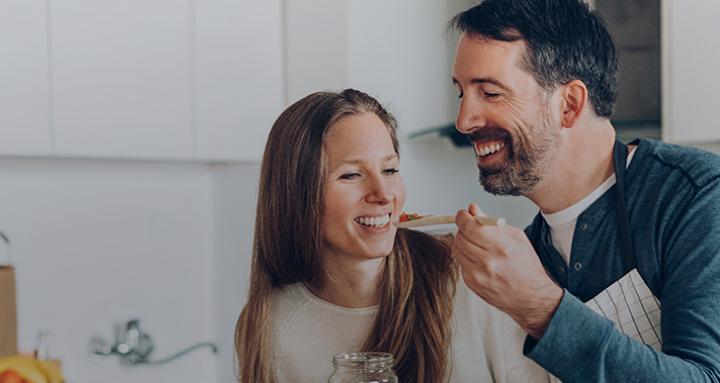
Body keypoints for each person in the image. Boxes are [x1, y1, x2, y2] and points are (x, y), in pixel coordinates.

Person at [448, 0, 720, 381]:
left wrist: (540, 305)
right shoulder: (532, 250)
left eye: (490, 93)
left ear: (570, 104)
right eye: (462, 93)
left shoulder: (696, 195)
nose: (464, 120)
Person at [234, 89, 548, 382]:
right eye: (351, 175)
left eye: (389, 170)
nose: (383, 194)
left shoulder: (474, 281)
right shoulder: (271, 326)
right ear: (298, 194)